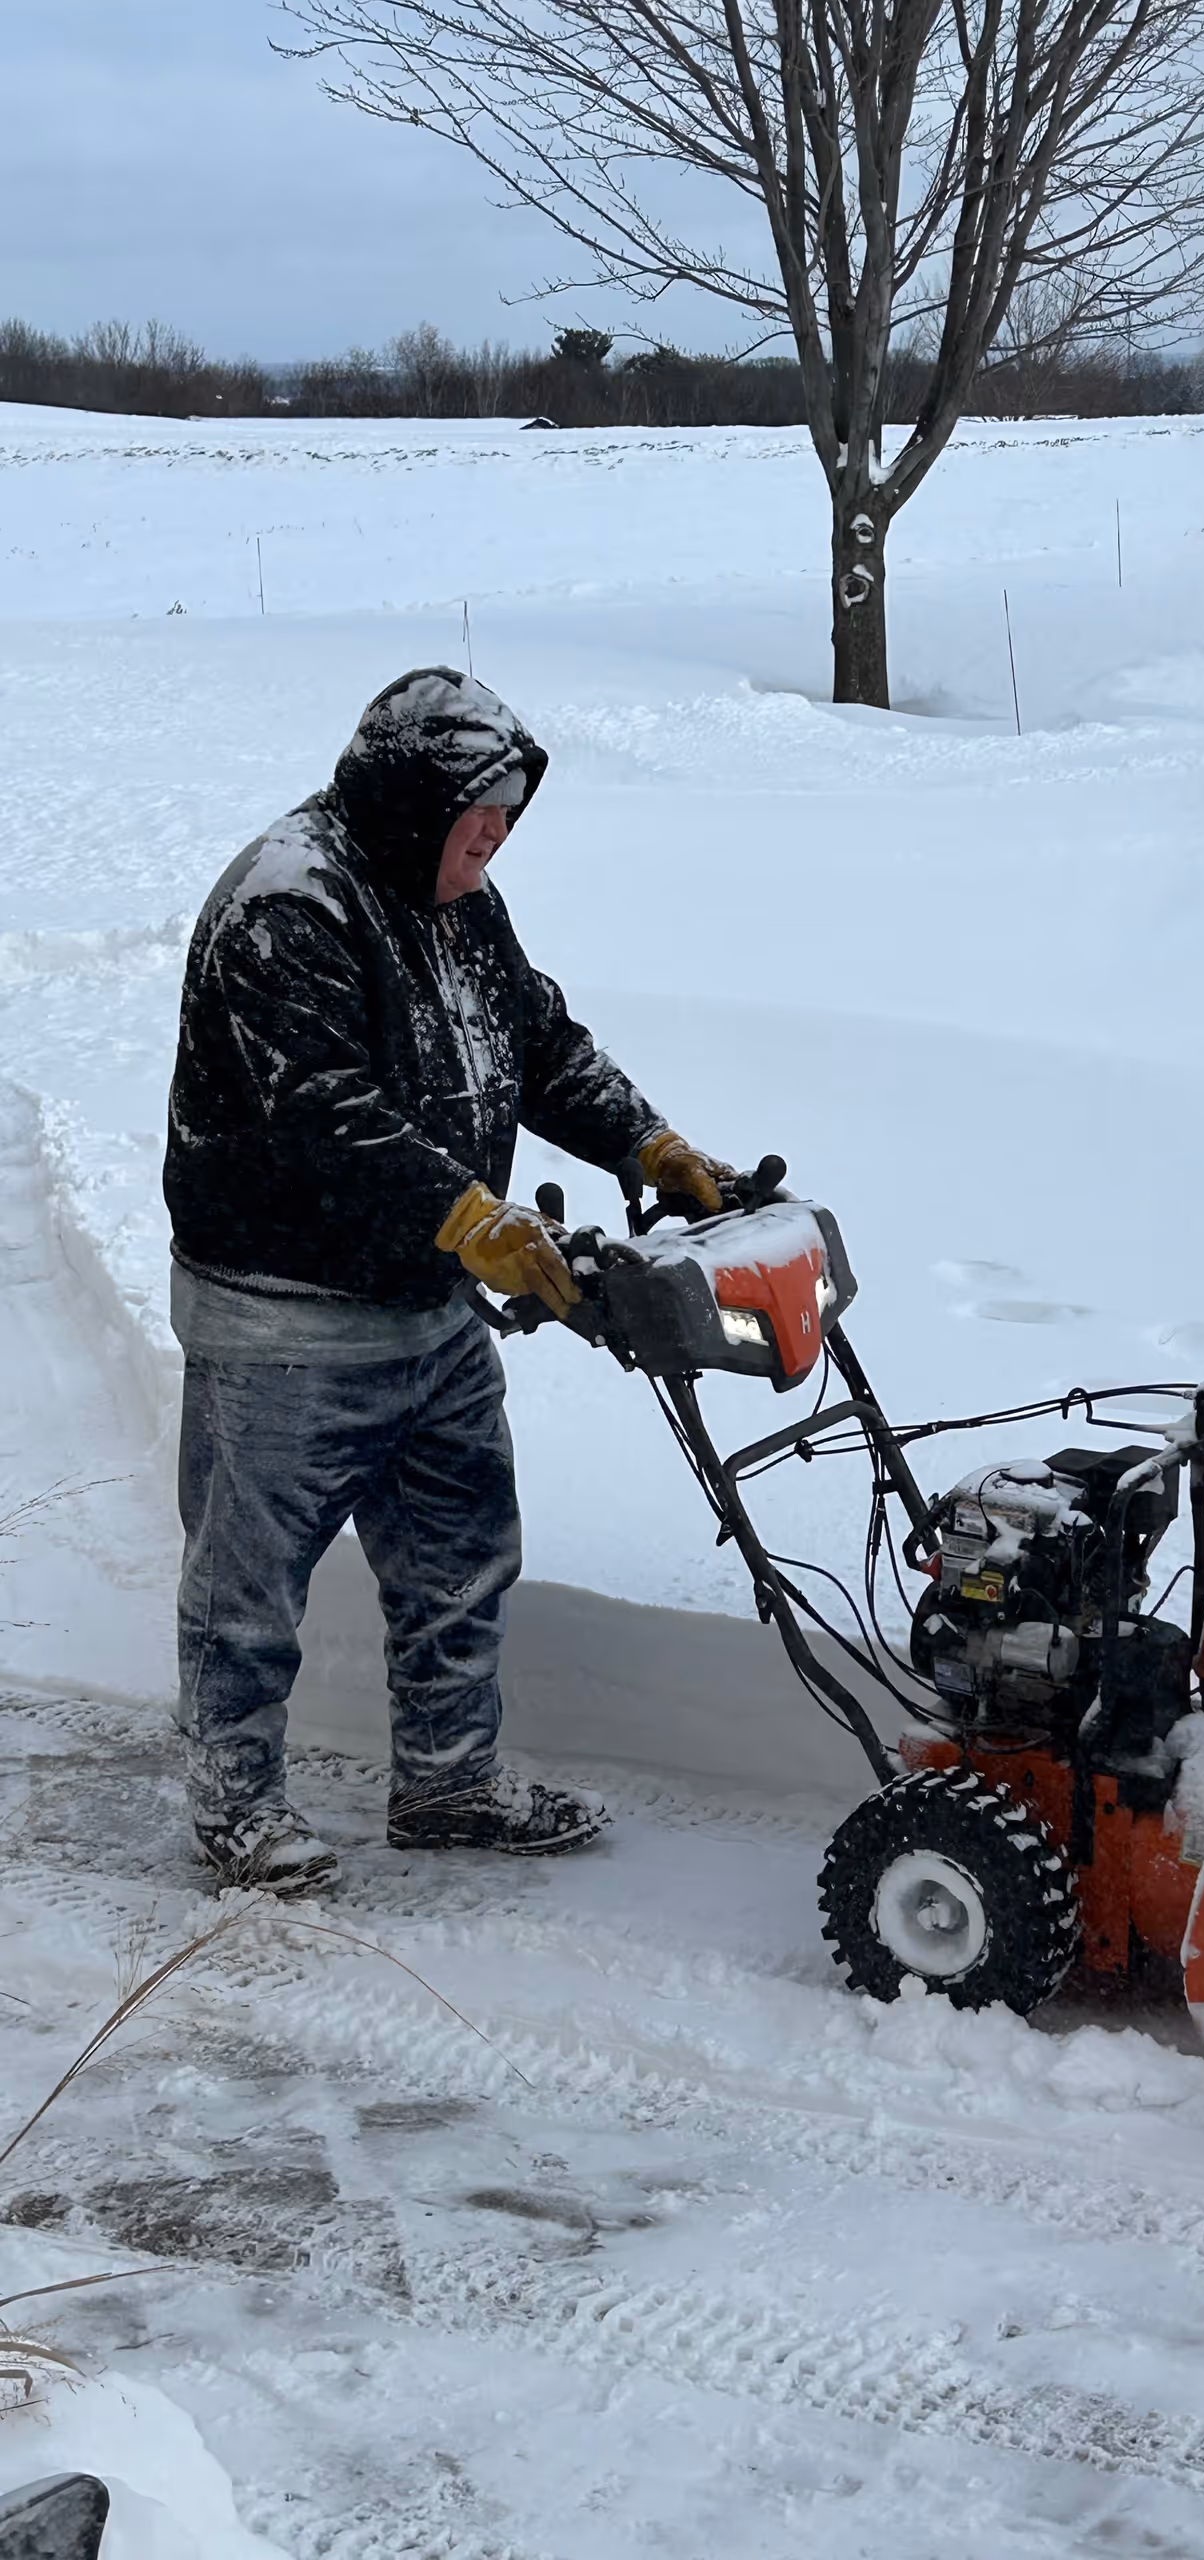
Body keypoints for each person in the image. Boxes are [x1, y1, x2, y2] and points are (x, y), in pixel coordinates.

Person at [164, 666, 732, 1894]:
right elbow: (322, 1113)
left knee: (458, 1556)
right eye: (478, 826)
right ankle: (233, 1803)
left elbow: (534, 1038)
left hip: (426, 1308)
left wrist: (648, 1142)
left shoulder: (460, 899)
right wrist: (468, 1215)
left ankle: (449, 1781)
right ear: (413, 806)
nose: (493, 847)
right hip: (283, 1319)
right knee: (249, 1586)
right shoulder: (289, 904)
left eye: (505, 828)